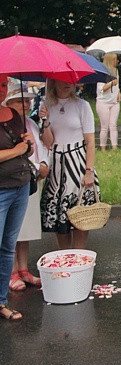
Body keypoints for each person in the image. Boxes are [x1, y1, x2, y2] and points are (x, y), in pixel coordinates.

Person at [40, 79, 99, 250]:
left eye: (70, 81)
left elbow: (90, 142)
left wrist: (89, 170)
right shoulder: (48, 106)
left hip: (78, 162)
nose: (67, 84)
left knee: (81, 215)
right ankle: (64, 256)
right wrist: (45, 121)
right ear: (53, 83)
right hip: (57, 163)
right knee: (60, 217)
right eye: (62, 80)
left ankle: (80, 257)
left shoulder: (82, 106)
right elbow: (48, 141)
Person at [4, 84, 48, 292]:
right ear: (9, 104)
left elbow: (41, 147)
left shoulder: (30, 123)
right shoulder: (8, 125)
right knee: (12, 230)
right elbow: (17, 152)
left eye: (28, 101)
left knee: (27, 227)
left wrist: (44, 164)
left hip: (30, 180)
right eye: (21, 101)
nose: (26, 105)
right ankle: (10, 271)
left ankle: (23, 268)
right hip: (12, 180)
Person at [0, 77, 35, 321]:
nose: (0, 90)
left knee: (7, 247)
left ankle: (1, 301)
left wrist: (29, 145)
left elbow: (25, 148)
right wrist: (17, 151)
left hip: (20, 186)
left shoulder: (12, 114)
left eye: (3, 85)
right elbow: (14, 151)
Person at [96, 53, 121, 151]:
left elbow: (117, 86)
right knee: (104, 127)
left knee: (113, 125)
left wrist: (118, 93)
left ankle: (115, 147)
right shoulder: (102, 73)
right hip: (103, 102)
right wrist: (111, 84)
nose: (117, 61)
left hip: (114, 102)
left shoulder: (116, 71)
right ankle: (103, 148)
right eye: (115, 59)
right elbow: (101, 89)